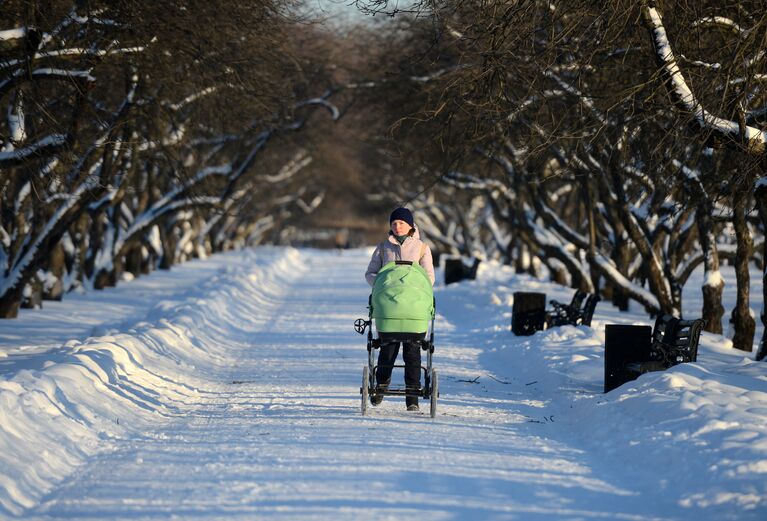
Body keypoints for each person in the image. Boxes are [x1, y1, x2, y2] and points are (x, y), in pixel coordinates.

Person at [365, 207, 435, 411]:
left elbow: (429, 277)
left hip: (413, 306)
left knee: (412, 352)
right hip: (389, 306)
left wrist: (411, 287)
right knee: (388, 350)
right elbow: (370, 273)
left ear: (411, 225)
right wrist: (382, 283)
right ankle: (381, 385)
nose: (397, 226)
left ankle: (412, 395)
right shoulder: (383, 248)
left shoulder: (422, 248)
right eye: (394, 223)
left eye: (401, 223)